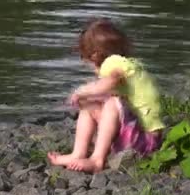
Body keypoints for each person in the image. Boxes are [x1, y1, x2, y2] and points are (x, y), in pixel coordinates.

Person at [48, 18, 165, 173]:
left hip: (144, 142)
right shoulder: (129, 64)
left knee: (112, 103)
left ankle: (97, 160)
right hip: (136, 136)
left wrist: (82, 91)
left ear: (95, 56)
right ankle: (78, 153)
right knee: (90, 106)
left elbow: (109, 82)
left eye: (87, 60)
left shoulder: (114, 63)